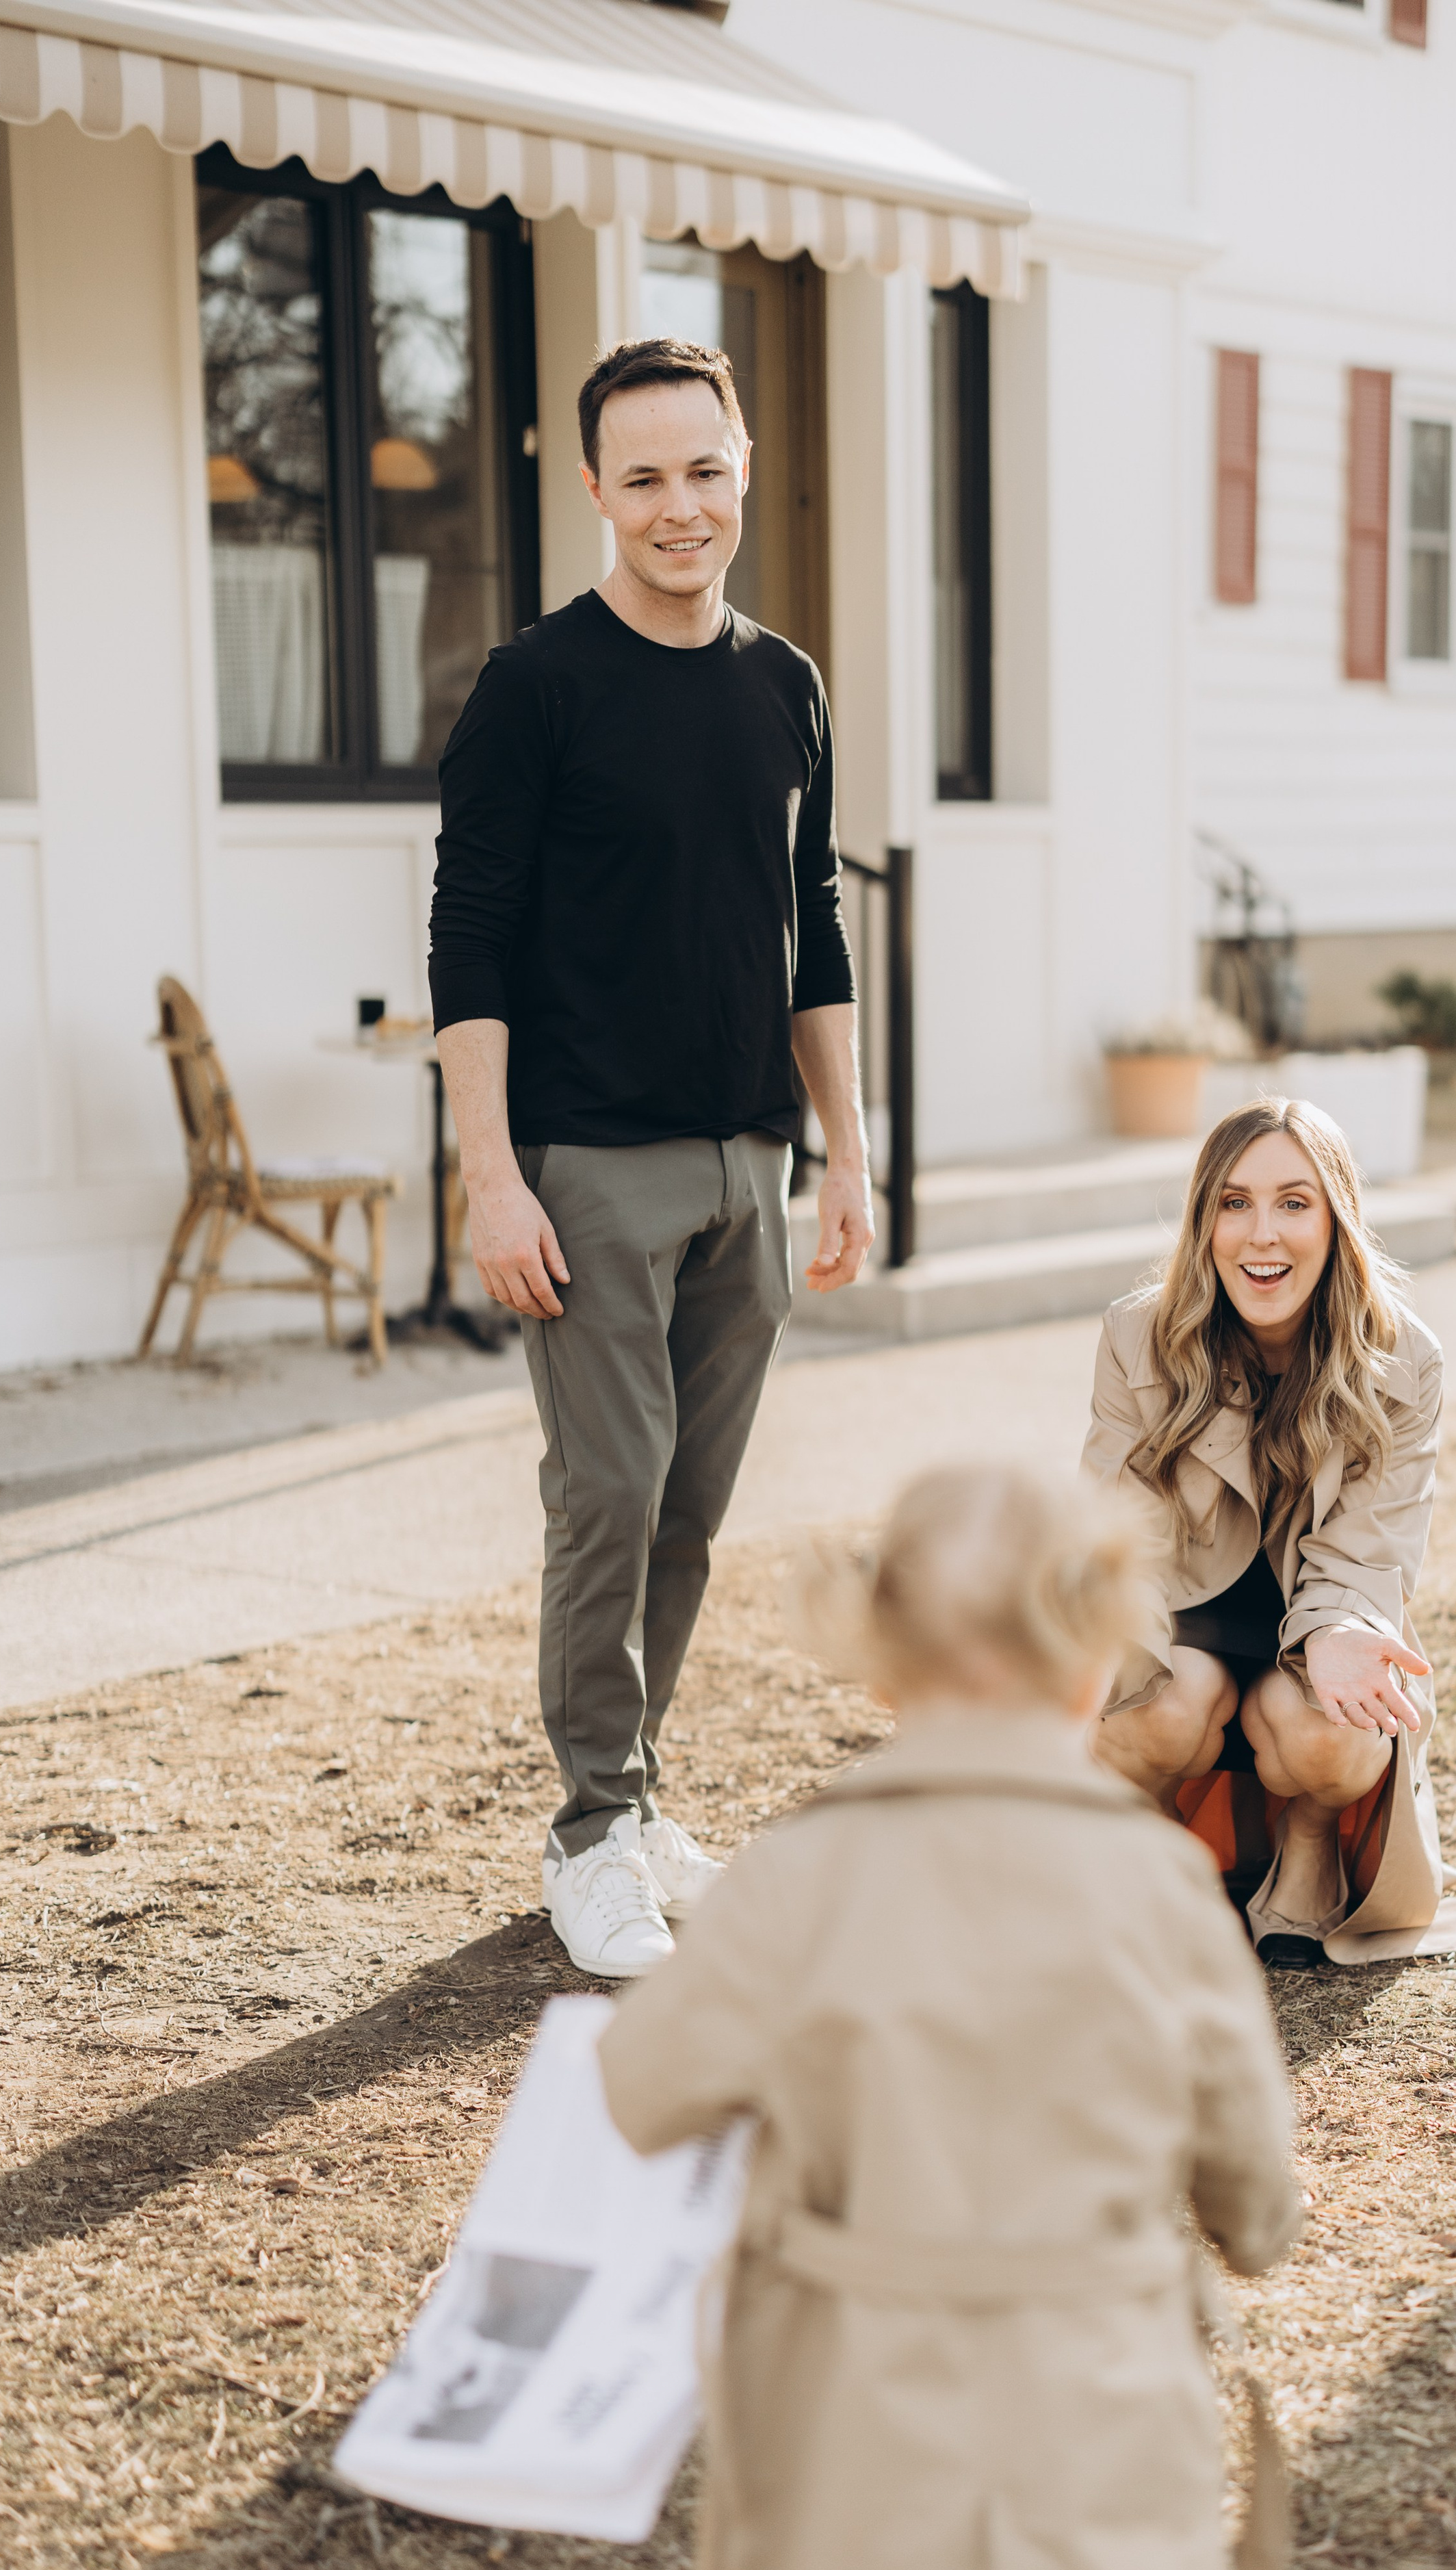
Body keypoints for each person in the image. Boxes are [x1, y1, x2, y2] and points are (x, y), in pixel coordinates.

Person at [597, 1463, 1301, 2570]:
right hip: (1099, 2429)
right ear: (1094, 1672)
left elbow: (639, 2091)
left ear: (882, 1674)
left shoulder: (798, 1876)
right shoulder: (1162, 1886)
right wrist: (1243, 2222)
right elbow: (1259, 2203)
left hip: (852, 2435)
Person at [428, 336, 873, 1980]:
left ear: (741, 464)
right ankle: (588, 1831)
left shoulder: (785, 684)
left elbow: (809, 928)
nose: (678, 507)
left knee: (688, 1506)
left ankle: (634, 1795)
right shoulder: (535, 686)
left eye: (704, 469)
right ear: (595, 490)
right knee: (605, 1493)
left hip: (744, 1154)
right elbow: (465, 943)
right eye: (642, 478)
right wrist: (490, 1173)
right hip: (586, 1162)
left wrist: (845, 1151)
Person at [1083, 1095, 1456, 1967]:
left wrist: (1345, 1628)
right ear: (1205, 1222)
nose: (1260, 1235)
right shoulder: (1135, 1336)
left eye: (1293, 1203)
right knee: (1146, 1707)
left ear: (1337, 1219)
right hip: (1180, 1626)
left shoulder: (1404, 1358)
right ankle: (1156, 1855)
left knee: (1343, 1732)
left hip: (1306, 1635)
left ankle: (1307, 1842)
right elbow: (1115, 1530)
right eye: (1234, 1203)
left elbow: (1376, 1543)